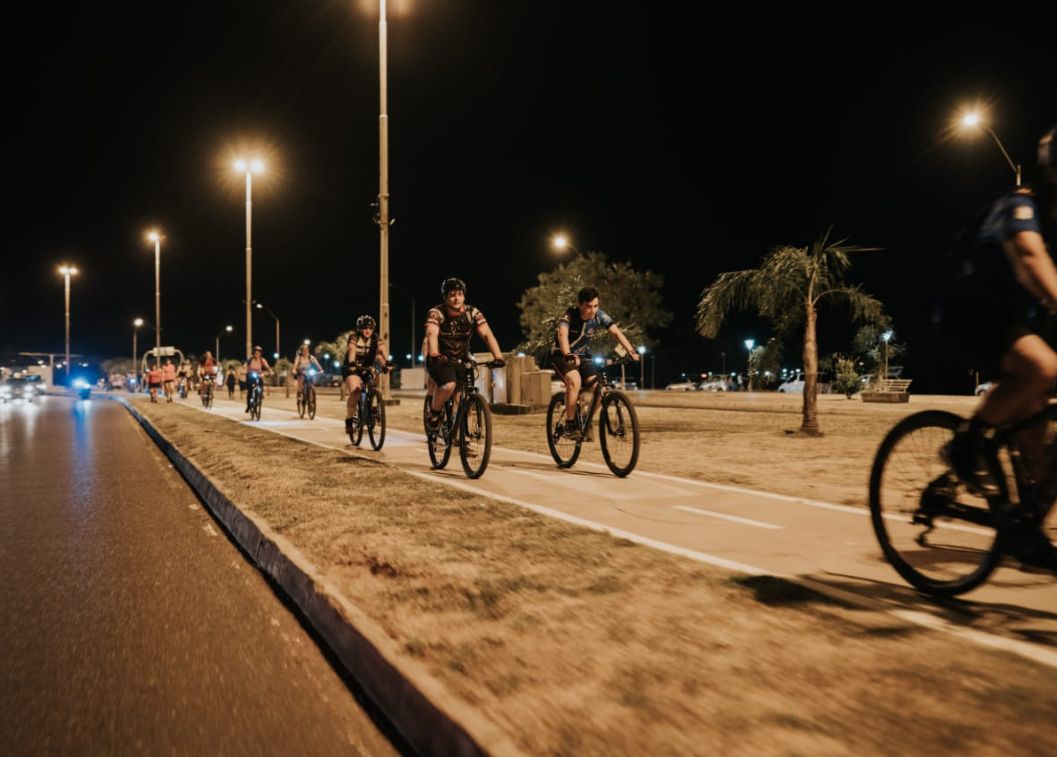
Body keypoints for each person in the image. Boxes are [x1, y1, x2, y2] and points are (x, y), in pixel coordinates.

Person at [934, 124, 1057, 567]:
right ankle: (965, 444)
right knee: (1043, 368)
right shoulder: (1019, 205)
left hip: (1018, 325)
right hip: (971, 317)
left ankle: (1027, 534)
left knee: (1040, 442)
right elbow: (1030, 260)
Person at [550, 286, 639, 440]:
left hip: (583, 356)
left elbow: (616, 332)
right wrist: (568, 354)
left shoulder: (599, 316)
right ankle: (570, 424)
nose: (593, 310)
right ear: (580, 305)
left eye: (596, 306)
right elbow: (562, 335)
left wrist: (631, 350)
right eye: (589, 306)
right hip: (562, 355)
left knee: (599, 389)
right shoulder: (570, 315)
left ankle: (586, 420)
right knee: (574, 381)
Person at [424, 278, 505, 431]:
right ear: (445, 297)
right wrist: (434, 353)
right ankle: (434, 414)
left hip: (462, 359)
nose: (456, 298)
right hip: (441, 359)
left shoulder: (473, 313)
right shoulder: (436, 313)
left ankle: (465, 441)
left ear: (464, 296)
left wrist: (498, 356)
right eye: (452, 294)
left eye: (460, 294)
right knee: (449, 386)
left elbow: (487, 334)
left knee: (464, 399)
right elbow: (431, 333)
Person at [342, 316, 387, 433]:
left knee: (375, 373)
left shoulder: (376, 338)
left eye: (370, 328)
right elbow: (352, 349)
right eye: (365, 328)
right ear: (359, 329)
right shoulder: (354, 337)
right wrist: (352, 362)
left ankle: (373, 403)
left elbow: (382, 349)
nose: (368, 331)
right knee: (356, 390)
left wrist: (387, 362)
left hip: (366, 367)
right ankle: (349, 419)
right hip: (352, 368)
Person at [245, 346, 271, 413]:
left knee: (261, 382)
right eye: (256, 353)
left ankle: (260, 393)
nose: (257, 354)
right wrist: (244, 370)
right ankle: (248, 406)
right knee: (250, 391)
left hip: (259, 374)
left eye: (259, 353)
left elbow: (267, 366)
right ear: (253, 353)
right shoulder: (250, 359)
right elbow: (245, 366)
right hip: (250, 374)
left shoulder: (262, 360)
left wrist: (270, 370)